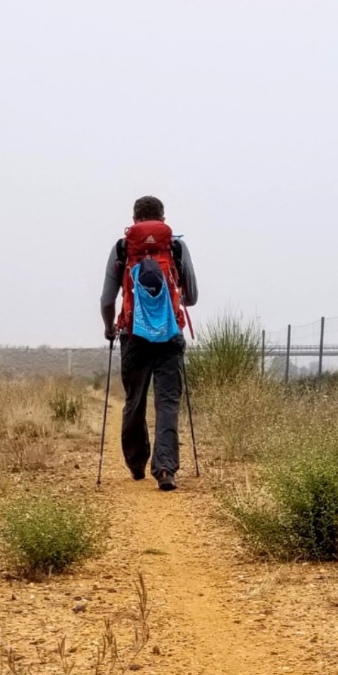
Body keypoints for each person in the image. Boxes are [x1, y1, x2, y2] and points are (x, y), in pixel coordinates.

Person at [100, 195, 198, 490]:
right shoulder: (176, 247)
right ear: (163, 219)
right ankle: (166, 468)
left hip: (133, 334)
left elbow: (107, 299)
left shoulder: (122, 248)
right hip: (169, 335)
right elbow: (192, 297)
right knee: (167, 401)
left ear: (133, 220)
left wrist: (109, 329)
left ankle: (136, 464)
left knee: (135, 400)